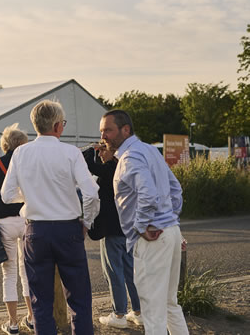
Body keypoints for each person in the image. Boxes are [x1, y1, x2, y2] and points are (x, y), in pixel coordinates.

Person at [2, 100, 100, 335]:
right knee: (79, 300)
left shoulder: (21, 153)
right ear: (58, 126)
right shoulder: (71, 153)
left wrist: (29, 196)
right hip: (68, 229)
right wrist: (87, 222)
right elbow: (91, 192)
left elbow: (6, 195)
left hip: (36, 230)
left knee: (40, 302)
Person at [100, 110, 189, 335]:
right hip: (168, 231)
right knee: (169, 304)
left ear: (125, 129)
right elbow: (175, 189)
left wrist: (141, 227)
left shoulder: (130, 158)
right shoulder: (149, 150)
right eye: (102, 131)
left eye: (108, 130)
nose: (104, 137)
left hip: (152, 237)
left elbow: (147, 194)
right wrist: (170, 220)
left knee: (152, 309)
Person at [82, 143, 142, 328]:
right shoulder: (125, 168)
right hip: (127, 228)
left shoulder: (111, 168)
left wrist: (91, 149)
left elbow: (86, 165)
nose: (100, 153)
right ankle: (139, 311)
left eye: (103, 150)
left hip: (111, 229)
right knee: (129, 270)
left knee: (114, 272)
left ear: (114, 153)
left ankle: (119, 314)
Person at [0, 124, 34, 334]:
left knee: (9, 273)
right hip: (26, 220)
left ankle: (12, 323)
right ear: (22, 144)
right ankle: (31, 317)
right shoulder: (28, 163)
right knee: (27, 271)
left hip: (4, 223)